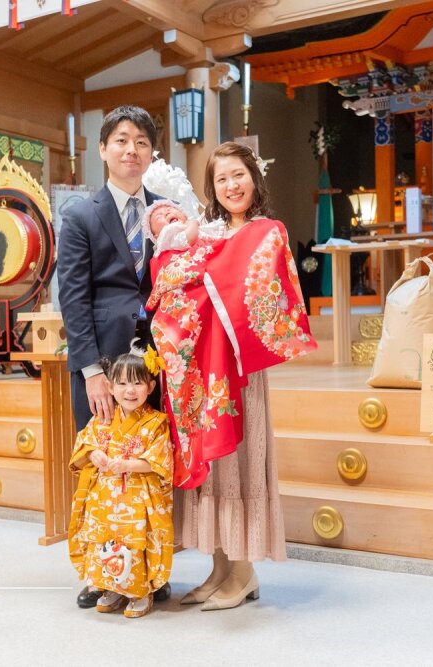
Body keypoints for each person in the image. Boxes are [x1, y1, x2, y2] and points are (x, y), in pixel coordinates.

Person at [160, 142, 314, 611]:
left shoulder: (268, 232)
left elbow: (251, 288)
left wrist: (205, 264)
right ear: (213, 188)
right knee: (215, 466)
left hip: (239, 374)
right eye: (222, 179)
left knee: (241, 462)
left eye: (238, 175)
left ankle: (244, 572)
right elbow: (172, 280)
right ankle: (220, 568)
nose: (232, 185)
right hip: (206, 371)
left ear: (254, 178)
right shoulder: (205, 237)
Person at [57, 105, 171, 607]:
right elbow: (74, 297)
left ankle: (151, 571)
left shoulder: (166, 212)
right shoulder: (81, 214)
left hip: (156, 363)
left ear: (151, 153)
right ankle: (99, 574)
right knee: (101, 467)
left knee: (153, 464)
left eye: (142, 142)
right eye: (121, 140)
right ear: (102, 149)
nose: (132, 150)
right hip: (101, 362)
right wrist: (90, 372)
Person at [66, 347, 173, 619]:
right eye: (122, 383)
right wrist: (95, 454)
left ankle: (139, 592)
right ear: (110, 388)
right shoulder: (102, 419)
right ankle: (110, 587)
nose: (130, 390)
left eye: (137, 382)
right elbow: (84, 445)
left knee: (134, 541)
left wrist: (127, 465)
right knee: (105, 540)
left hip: (138, 500)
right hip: (104, 498)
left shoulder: (156, 422)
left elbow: (159, 461)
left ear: (150, 386)